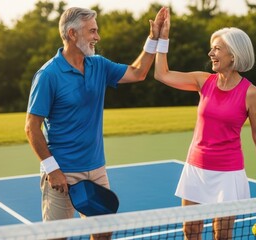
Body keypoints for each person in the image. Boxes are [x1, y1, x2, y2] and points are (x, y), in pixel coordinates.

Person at [24, 6, 167, 240]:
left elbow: (138, 73)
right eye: (92, 31)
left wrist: (154, 38)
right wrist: (53, 169)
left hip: (97, 168)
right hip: (63, 172)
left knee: (103, 233)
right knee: (56, 237)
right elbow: (31, 127)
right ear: (72, 34)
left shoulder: (98, 65)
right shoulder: (48, 75)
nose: (97, 37)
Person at [154, 11, 256, 240]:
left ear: (233, 54)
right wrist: (163, 37)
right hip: (196, 169)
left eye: (217, 49)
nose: (211, 53)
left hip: (228, 174)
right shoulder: (203, 81)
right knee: (190, 231)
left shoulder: (251, 93)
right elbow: (162, 74)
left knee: (222, 235)